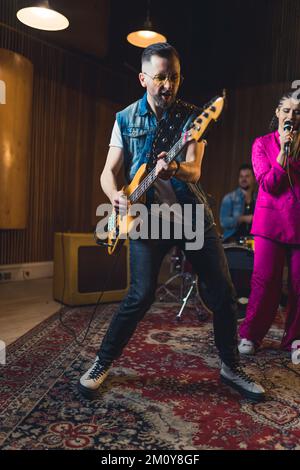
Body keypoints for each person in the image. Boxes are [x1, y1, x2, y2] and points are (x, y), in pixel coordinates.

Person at [79, 42, 265, 401]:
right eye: (161, 77)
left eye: (175, 78)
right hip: (145, 217)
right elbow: (108, 172)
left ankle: (231, 367)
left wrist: (174, 167)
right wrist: (115, 195)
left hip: (190, 214)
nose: (168, 85)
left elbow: (194, 170)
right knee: (140, 294)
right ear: (143, 77)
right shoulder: (125, 118)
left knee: (224, 294)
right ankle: (102, 362)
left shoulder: (194, 117)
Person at [239, 91, 300, 356]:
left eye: (297, 112)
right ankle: (251, 335)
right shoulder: (262, 144)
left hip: (298, 223)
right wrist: (284, 153)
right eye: (286, 110)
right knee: (265, 282)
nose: (291, 116)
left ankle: (295, 340)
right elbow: (269, 184)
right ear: (277, 113)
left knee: (299, 283)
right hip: (269, 223)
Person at [220, 164, 257, 242]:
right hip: (233, 242)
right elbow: (223, 222)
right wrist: (243, 219)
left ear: (254, 178)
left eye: (247, 176)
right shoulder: (229, 198)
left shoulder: (258, 199)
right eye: (241, 176)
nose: (243, 179)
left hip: (254, 242)